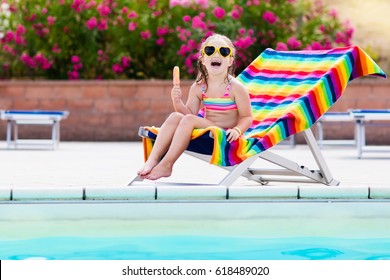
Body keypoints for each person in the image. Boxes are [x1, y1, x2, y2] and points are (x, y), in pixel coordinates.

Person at [137, 33, 253, 180]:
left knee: (189, 120)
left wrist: (237, 130)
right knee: (175, 116)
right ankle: (153, 159)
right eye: (210, 50)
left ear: (230, 61)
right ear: (203, 59)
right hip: (207, 130)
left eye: (223, 51)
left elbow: (247, 117)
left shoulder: (236, 88)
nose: (216, 55)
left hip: (223, 135)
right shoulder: (199, 87)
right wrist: (177, 102)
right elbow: (188, 114)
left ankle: (167, 164)